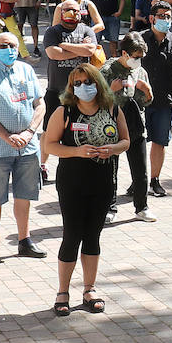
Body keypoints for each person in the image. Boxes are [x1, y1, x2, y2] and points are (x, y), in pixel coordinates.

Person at [42, 63, 130, 317]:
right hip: (72, 182)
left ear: (98, 83)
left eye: (88, 82)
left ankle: (89, 289)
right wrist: (76, 152)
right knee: (72, 235)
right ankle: (62, 291)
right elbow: (49, 145)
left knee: (93, 236)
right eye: (77, 84)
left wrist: (113, 149)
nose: (83, 87)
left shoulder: (111, 108)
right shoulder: (64, 111)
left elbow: (126, 140)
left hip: (102, 181)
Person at [0, 32, 48, 265]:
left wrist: (29, 132)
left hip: (27, 147)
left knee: (24, 195)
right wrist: (6, 137)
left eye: (14, 46)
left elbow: (40, 104)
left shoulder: (26, 70)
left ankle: (24, 240)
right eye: (4, 46)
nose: (10, 50)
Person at [40, 0, 100, 184]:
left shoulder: (87, 30)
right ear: (61, 11)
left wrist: (65, 46)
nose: (71, 13)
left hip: (82, 92)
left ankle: (79, 163)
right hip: (56, 90)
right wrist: (78, 50)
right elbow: (53, 54)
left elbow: (91, 49)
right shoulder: (53, 31)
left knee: (80, 128)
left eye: (75, 10)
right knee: (48, 131)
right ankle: (42, 165)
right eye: (67, 10)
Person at [100, 33, 156, 221]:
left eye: (141, 57)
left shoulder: (140, 71)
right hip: (112, 126)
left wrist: (147, 91)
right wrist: (110, 90)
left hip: (135, 124)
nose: (138, 61)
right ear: (124, 53)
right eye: (135, 57)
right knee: (110, 170)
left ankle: (142, 207)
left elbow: (147, 102)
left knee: (140, 170)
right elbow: (93, 100)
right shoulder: (108, 70)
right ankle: (109, 207)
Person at [140, 2, 172, 200]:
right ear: (152, 18)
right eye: (161, 16)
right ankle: (139, 180)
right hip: (140, 103)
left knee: (160, 142)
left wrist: (169, 83)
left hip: (166, 101)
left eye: (168, 16)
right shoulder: (140, 40)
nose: (165, 19)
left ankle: (154, 180)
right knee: (137, 143)